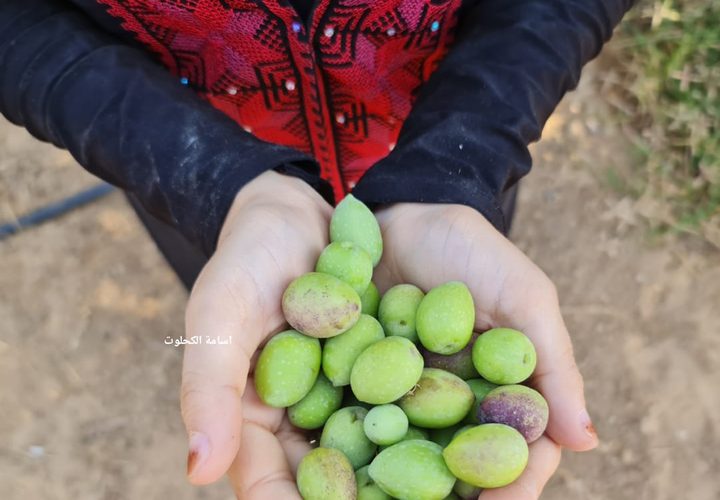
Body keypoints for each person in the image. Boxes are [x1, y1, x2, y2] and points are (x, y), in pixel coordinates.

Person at [0, 0, 633, 498]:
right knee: (230, 307)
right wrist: (216, 179)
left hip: (447, 156)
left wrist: (455, 173)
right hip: (205, 180)